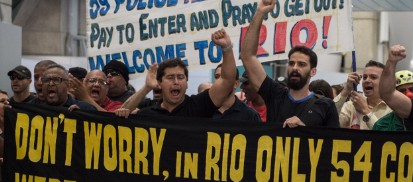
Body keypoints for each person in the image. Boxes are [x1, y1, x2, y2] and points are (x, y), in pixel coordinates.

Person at [240, 0, 339, 128]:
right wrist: (259, 13)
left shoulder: (326, 106)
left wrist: (304, 128)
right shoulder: (275, 94)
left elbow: (333, 143)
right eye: (291, 63)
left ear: (313, 71)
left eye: (302, 64)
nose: (295, 68)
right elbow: (247, 56)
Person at [117, 28, 236, 118]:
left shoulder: (199, 105)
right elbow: (119, 117)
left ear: (187, 82)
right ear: (160, 83)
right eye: (170, 77)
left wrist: (227, 48)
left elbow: (227, 81)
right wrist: (147, 87)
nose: (176, 82)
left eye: (181, 77)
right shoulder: (148, 115)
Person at [335, 60, 392, 129]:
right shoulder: (352, 105)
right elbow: (332, 120)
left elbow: (385, 135)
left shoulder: (392, 109)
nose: (367, 80)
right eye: (364, 77)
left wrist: (365, 110)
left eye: (373, 77)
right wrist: (347, 89)